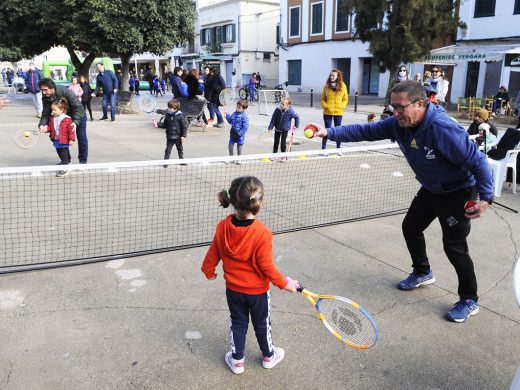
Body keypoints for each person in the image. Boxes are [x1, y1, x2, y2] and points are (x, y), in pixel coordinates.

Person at [310, 80, 494, 323]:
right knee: (411, 227)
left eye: (400, 107)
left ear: (420, 104)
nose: (395, 113)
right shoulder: (399, 124)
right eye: (393, 107)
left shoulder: (442, 129)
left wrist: (486, 198)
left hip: (458, 191)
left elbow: (478, 162)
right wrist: (329, 132)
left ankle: (469, 299)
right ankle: (422, 271)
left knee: (454, 246)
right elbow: (365, 131)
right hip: (431, 188)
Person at [201, 175, 299, 375]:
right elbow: (267, 267)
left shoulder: (223, 227)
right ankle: (269, 356)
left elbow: (213, 252)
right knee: (262, 324)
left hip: (234, 290)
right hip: (258, 293)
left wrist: (208, 271)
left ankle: (237, 361)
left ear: (233, 201)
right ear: (259, 203)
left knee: (238, 323)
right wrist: (285, 283)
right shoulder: (262, 233)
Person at [39, 78, 88, 164]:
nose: (44, 92)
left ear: (52, 88)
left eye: (45, 90)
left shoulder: (65, 92)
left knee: (81, 138)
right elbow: (45, 113)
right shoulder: (45, 97)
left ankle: (83, 162)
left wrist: (75, 122)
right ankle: (66, 161)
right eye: (42, 90)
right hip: (63, 118)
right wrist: (42, 125)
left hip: (79, 115)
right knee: (61, 138)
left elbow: (78, 107)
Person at [40, 98, 76, 176]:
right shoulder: (52, 118)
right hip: (56, 139)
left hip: (64, 140)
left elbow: (71, 130)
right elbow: (50, 127)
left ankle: (65, 167)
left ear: (62, 110)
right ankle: (67, 162)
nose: (52, 111)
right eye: (52, 110)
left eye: (54, 110)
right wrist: (45, 129)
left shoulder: (67, 119)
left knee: (63, 153)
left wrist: (71, 139)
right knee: (60, 152)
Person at [320, 69, 348, 150]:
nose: (331, 77)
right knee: (326, 131)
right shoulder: (326, 86)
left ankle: (338, 149)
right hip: (327, 113)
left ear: (338, 76)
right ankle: (323, 150)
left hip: (338, 113)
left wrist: (342, 106)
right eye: (330, 75)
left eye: (333, 75)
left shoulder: (343, 86)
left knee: (338, 131)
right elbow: (322, 99)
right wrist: (326, 106)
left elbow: (345, 99)